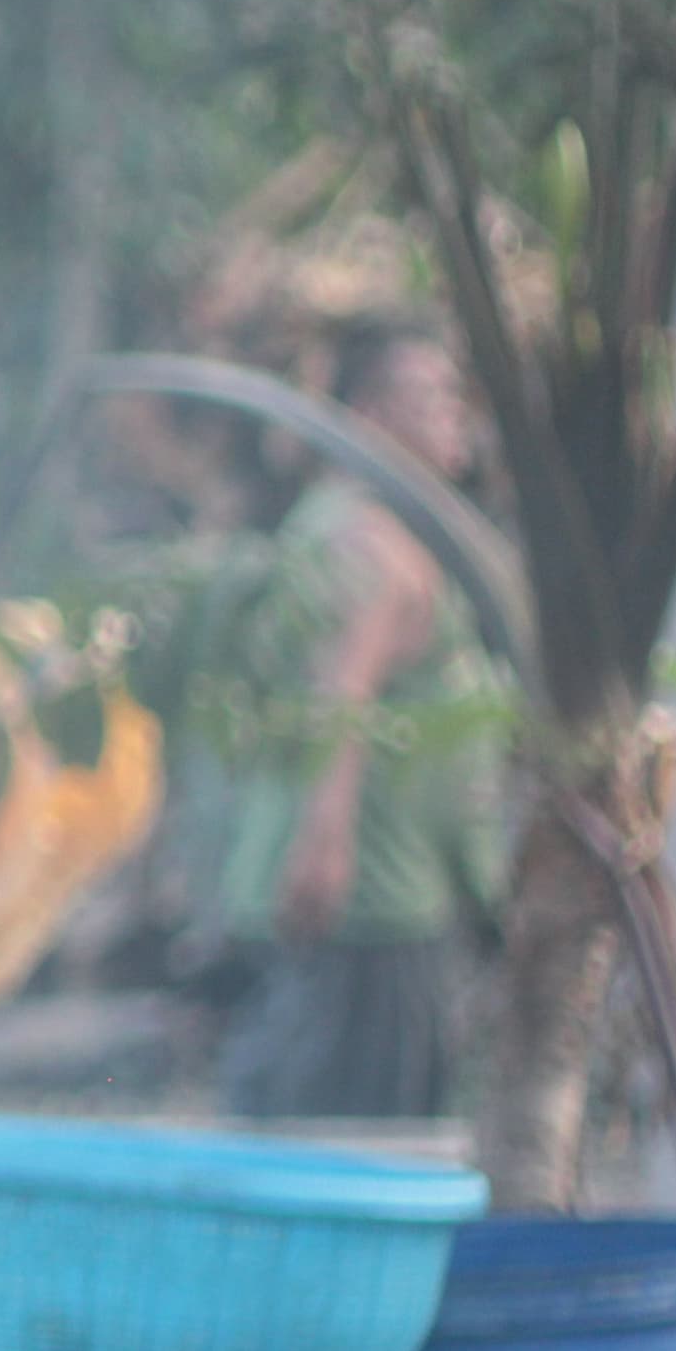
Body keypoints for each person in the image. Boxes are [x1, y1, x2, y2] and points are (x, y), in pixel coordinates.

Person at [210, 319, 511, 1120]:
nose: (455, 413)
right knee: (357, 1137)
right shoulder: (366, 541)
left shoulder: (356, 525)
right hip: (370, 906)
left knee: (321, 1110)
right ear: (371, 414)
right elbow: (340, 694)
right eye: (431, 395)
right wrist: (326, 841)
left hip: (381, 899)